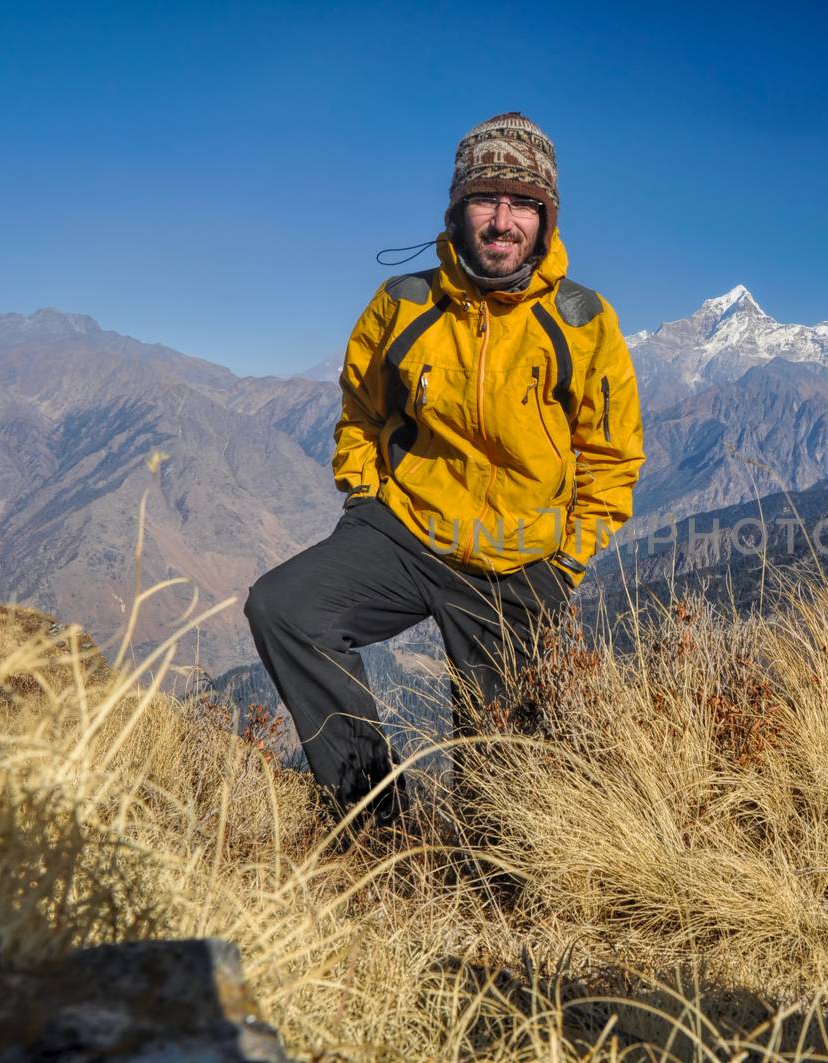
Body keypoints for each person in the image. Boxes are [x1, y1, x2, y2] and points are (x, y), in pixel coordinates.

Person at [244, 112, 644, 826]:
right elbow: (360, 414)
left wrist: (567, 563)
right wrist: (366, 501)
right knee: (285, 608)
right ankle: (374, 823)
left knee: (500, 806)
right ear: (456, 209)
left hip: (520, 560)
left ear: (546, 218)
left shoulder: (584, 320)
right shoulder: (403, 305)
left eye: (522, 203)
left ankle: (487, 862)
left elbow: (613, 459)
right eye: (485, 199)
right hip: (405, 529)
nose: (502, 219)